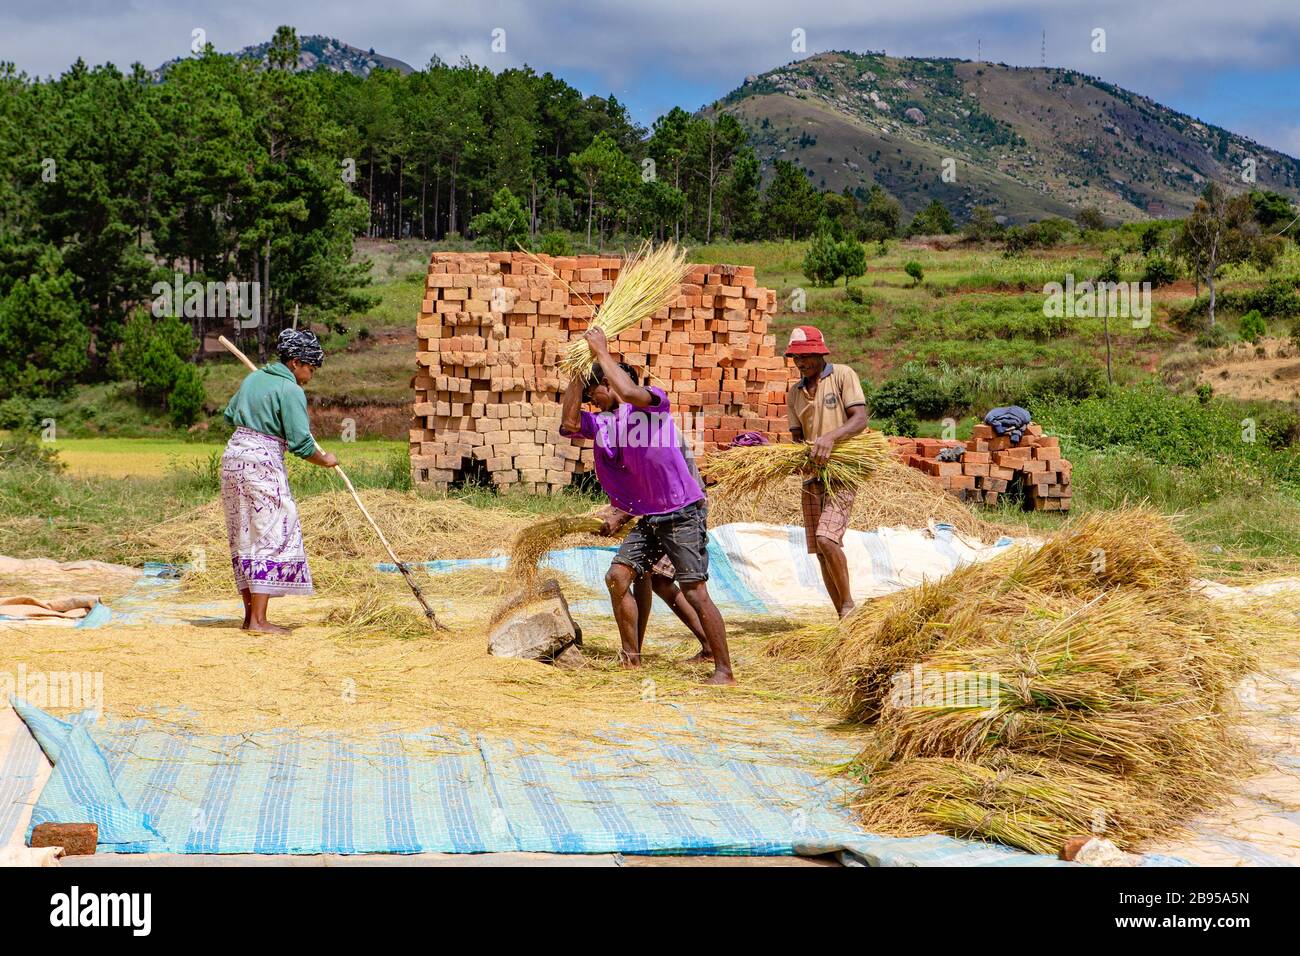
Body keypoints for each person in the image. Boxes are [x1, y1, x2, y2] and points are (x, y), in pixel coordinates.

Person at [560, 328, 735, 684]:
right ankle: (631, 661)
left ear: (610, 383)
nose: (592, 404)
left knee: (694, 591)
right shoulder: (605, 424)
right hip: (652, 516)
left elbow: (626, 392)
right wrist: (578, 375)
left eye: (594, 395)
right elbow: (568, 422)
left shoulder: (653, 402)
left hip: (683, 510)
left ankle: (724, 670)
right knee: (618, 576)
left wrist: (601, 352)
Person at [220, 329, 338, 633]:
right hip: (261, 463)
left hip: (233, 458)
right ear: (296, 362)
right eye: (310, 368)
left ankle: (250, 618)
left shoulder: (254, 379)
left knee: (245, 532)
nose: (311, 375)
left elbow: (230, 413)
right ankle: (259, 621)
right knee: (271, 530)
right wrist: (325, 460)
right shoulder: (291, 390)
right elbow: (301, 444)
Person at [784, 325, 868, 618]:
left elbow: (859, 419)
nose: (801, 363)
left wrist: (832, 437)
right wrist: (795, 457)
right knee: (819, 552)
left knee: (826, 539)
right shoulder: (794, 393)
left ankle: (849, 606)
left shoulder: (843, 375)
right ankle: (841, 616)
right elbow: (797, 437)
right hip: (812, 476)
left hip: (842, 471)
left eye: (806, 356)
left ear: (820, 352)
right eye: (796, 358)